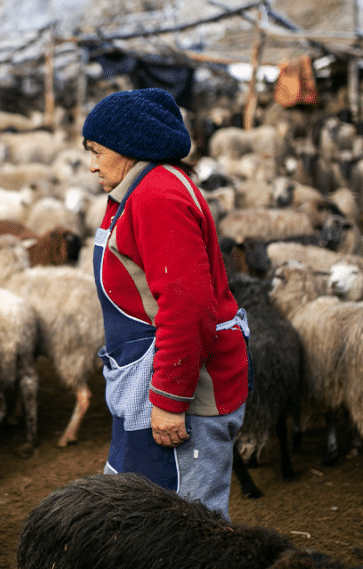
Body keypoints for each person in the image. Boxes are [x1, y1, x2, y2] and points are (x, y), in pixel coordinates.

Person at [82, 87, 249, 519]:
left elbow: (187, 305)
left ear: (129, 148)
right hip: (143, 381)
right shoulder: (139, 192)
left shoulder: (157, 197)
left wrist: (169, 400)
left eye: (98, 151)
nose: (92, 163)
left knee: (184, 529)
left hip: (180, 394)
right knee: (135, 517)